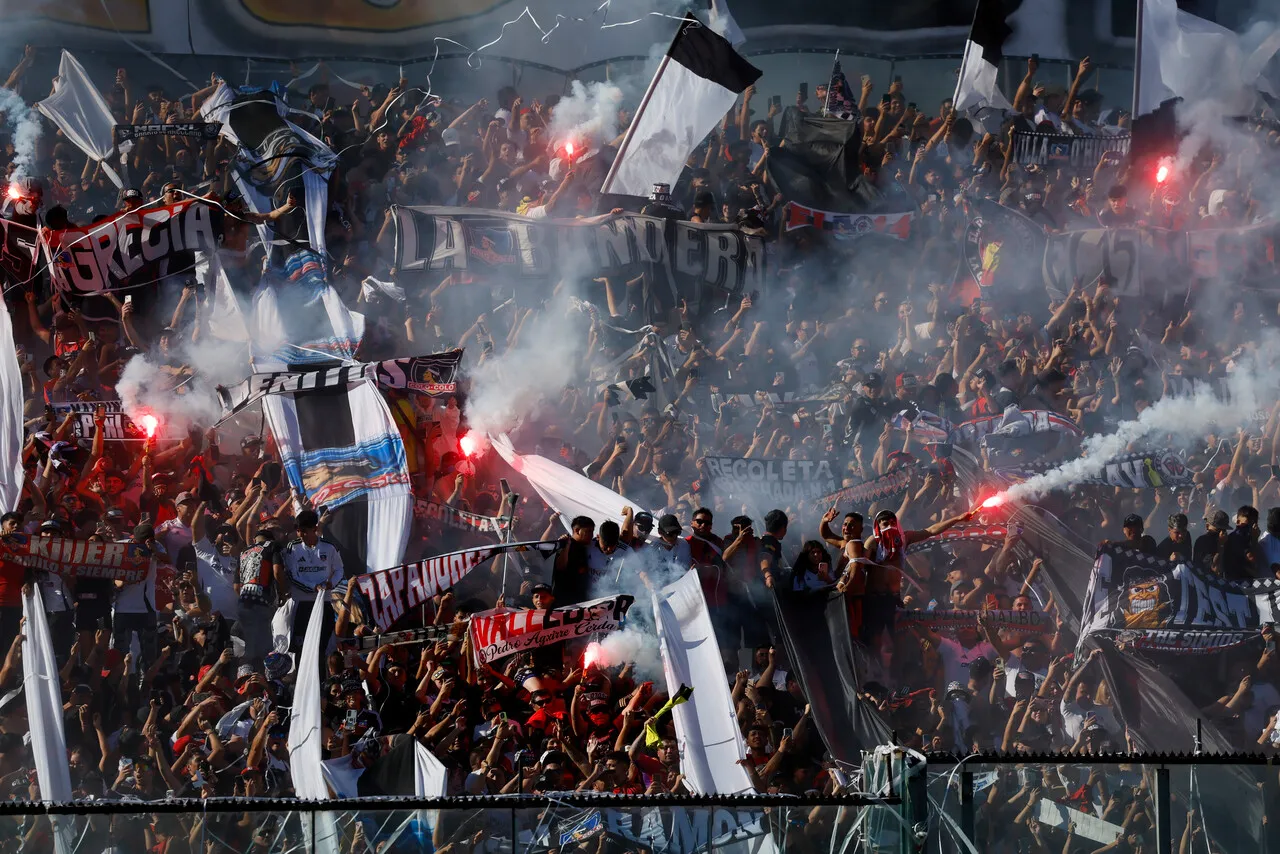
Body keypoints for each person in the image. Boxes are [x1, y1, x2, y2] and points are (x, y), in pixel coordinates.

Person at [273, 509, 344, 654]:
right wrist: (314, 587)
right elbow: (292, 576)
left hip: (324, 603)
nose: (301, 535)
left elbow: (339, 570)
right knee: (301, 648)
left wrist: (332, 583)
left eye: (305, 531)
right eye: (299, 531)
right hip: (301, 604)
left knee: (324, 647)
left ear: (315, 528)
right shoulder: (292, 548)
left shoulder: (329, 547)